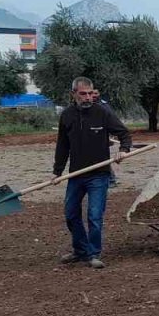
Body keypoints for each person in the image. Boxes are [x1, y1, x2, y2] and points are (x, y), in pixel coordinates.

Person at [54, 77, 132, 269]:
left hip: (99, 174)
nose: (88, 97)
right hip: (75, 175)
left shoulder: (102, 112)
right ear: (73, 94)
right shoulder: (67, 115)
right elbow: (62, 146)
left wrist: (124, 149)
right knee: (71, 214)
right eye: (83, 94)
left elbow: (124, 133)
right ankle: (81, 250)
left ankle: (94, 253)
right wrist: (57, 171)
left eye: (90, 93)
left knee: (94, 216)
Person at [91, 89, 120, 187]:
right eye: (92, 93)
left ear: (99, 94)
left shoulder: (104, 106)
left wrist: (111, 135)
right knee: (95, 157)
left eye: (96, 93)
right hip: (92, 136)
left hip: (103, 136)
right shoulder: (88, 105)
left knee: (101, 157)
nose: (94, 95)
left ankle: (111, 180)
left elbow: (111, 121)